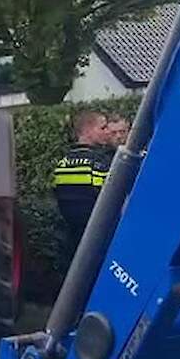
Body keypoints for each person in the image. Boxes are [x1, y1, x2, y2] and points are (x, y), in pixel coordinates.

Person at [53, 111, 122, 268]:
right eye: (103, 128)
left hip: (73, 240)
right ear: (88, 131)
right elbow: (113, 201)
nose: (107, 132)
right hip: (101, 240)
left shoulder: (63, 163)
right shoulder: (100, 163)